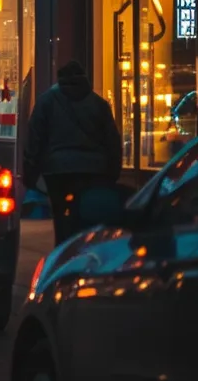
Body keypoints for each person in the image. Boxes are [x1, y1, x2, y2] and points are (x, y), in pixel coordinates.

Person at [23, 61, 123, 246]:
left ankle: (63, 252)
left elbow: (35, 138)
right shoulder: (98, 104)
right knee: (89, 216)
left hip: (58, 170)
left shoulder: (46, 101)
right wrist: (113, 170)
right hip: (93, 170)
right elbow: (112, 140)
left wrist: (30, 171)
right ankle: (85, 251)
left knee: (61, 217)